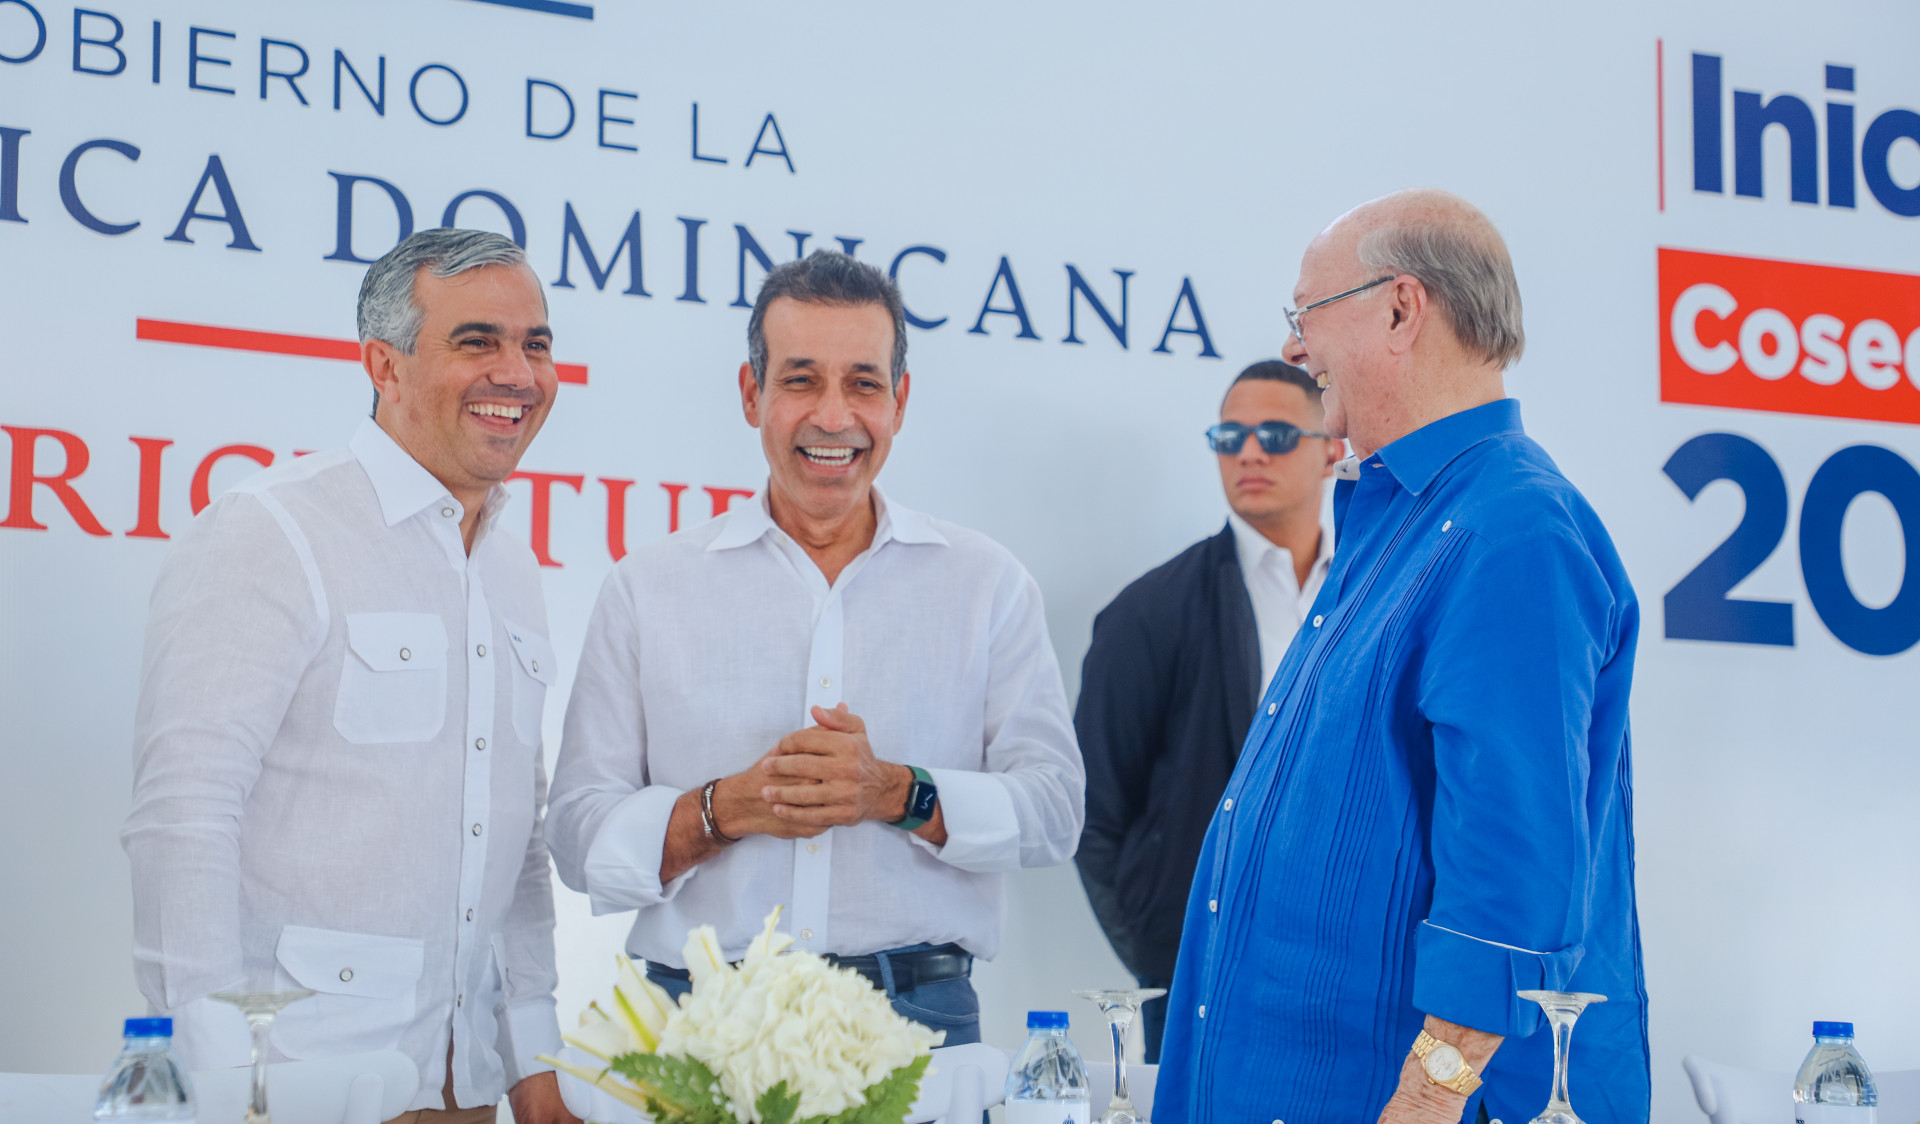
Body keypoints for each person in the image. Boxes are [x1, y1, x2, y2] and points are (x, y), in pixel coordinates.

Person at [1154, 190, 1648, 1124]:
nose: (1294, 347)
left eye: (1306, 313)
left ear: (1399, 309)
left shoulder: (1514, 532)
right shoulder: (1398, 523)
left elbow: (1511, 881)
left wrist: (1425, 1102)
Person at [547, 249, 1084, 1047]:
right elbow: (576, 834)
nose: (834, 417)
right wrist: (721, 812)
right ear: (751, 393)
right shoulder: (647, 588)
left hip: (917, 1025)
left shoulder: (987, 584)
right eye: (801, 381)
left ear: (899, 401)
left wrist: (898, 794)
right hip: (696, 1023)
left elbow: (1054, 810)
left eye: (863, 384)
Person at [121, 229, 578, 1124]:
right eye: (478, 341)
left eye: (536, 344)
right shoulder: (271, 529)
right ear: (384, 365)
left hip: (467, 1088)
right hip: (296, 1085)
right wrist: (223, 1085)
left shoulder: (513, 566)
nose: (518, 373)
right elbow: (183, 815)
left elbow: (514, 839)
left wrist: (535, 1058)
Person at [1074, 359, 1338, 1062]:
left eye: (1276, 435)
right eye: (1230, 436)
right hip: (1205, 979)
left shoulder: (1375, 595)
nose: (1249, 453)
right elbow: (1093, 813)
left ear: (1332, 449)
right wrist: (1166, 956)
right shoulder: (1148, 613)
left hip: (1353, 970)